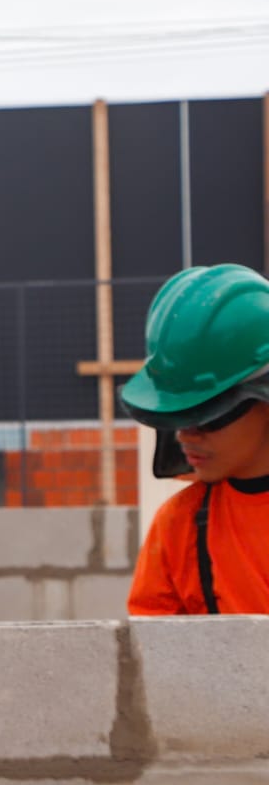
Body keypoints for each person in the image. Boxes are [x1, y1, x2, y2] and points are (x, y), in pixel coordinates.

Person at [122, 264, 269, 616]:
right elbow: (154, 658)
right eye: (177, 417)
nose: (186, 434)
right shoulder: (179, 526)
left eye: (207, 415)